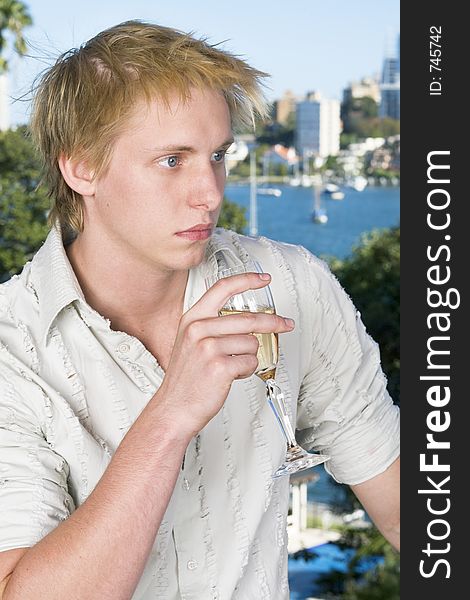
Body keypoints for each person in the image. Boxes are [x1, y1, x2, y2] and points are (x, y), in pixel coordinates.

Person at [0, 20, 400, 600]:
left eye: (217, 155)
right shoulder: (12, 344)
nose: (210, 193)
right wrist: (169, 417)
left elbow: (404, 506)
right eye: (171, 161)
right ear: (81, 167)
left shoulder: (289, 284)